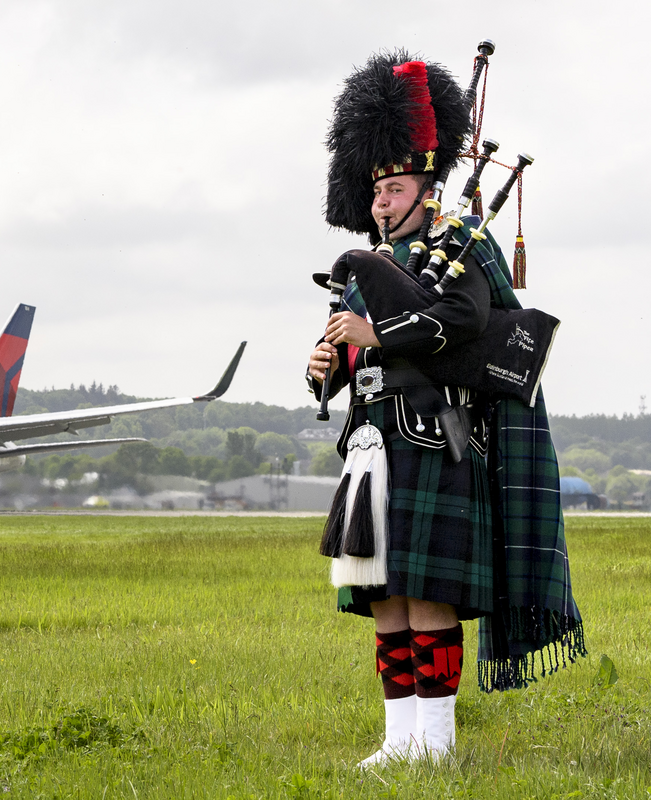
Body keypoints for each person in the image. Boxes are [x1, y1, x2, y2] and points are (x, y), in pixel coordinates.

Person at [307, 51, 585, 767]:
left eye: (395, 190)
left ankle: (437, 742)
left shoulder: (461, 243)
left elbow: (462, 319)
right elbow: (353, 356)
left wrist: (379, 333)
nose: (382, 203)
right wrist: (324, 370)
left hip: (436, 439)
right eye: (377, 194)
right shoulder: (372, 267)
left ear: (427, 188)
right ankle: (399, 742)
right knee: (386, 599)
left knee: (428, 597)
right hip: (373, 445)